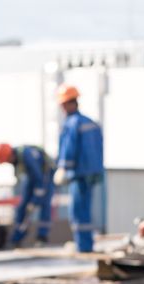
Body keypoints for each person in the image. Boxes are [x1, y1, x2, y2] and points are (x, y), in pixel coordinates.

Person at [54, 84, 104, 253]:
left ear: (68, 103)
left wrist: (63, 168)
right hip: (92, 173)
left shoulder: (71, 123)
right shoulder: (91, 123)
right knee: (85, 210)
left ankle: (83, 246)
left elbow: (69, 148)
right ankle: (86, 244)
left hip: (79, 173)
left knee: (77, 211)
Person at [0, 143, 55, 247]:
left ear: (9, 156)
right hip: (32, 178)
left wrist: (34, 201)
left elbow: (38, 177)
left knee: (44, 204)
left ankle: (42, 237)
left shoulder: (27, 156)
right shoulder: (18, 158)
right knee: (23, 206)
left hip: (45, 176)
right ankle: (16, 238)